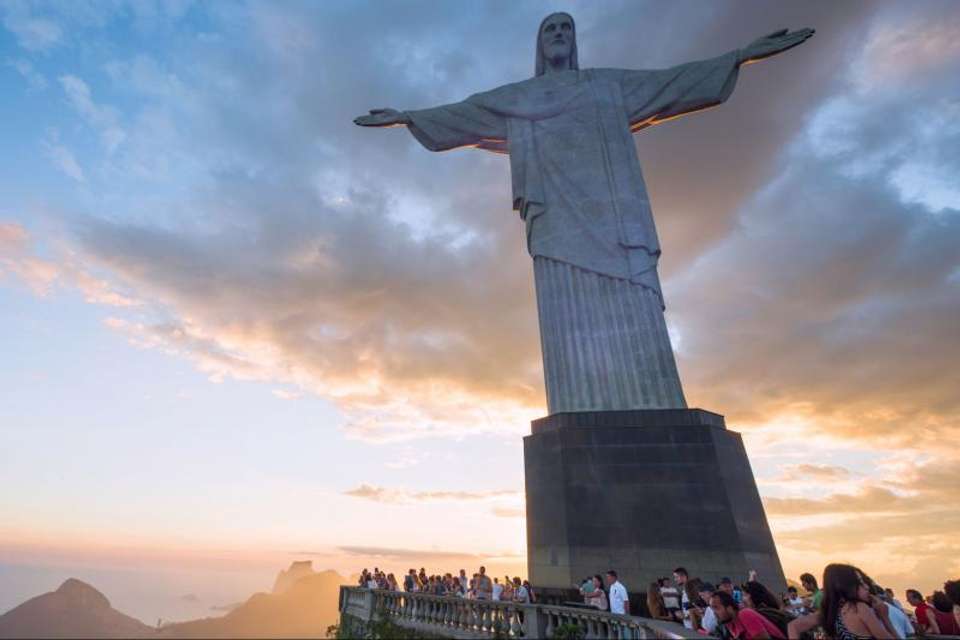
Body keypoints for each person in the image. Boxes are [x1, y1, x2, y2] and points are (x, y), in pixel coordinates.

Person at [787, 564, 894, 639]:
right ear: (847, 586)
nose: (866, 587)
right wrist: (885, 618)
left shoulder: (829, 612)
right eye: (860, 583)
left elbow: (792, 626)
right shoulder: (859, 608)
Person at [710, 590, 785, 640]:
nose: (714, 613)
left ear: (729, 608)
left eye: (716, 608)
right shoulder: (729, 625)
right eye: (712, 609)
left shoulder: (744, 614)